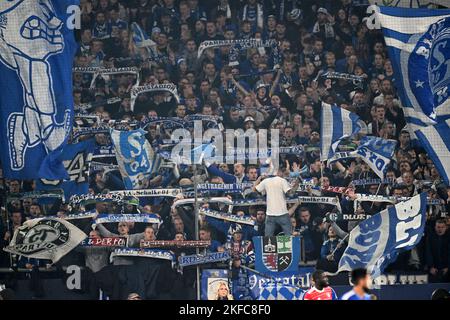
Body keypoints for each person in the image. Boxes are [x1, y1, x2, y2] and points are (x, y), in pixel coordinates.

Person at [253, 167, 299, 236]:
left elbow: (254, 190)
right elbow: (290, 194)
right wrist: (296, 185)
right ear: (279, 172)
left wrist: (259, 178)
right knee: (289, 237)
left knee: (268, 238)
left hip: (270, 214)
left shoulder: (266, 181)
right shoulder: (282, 180)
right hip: (282, 213)